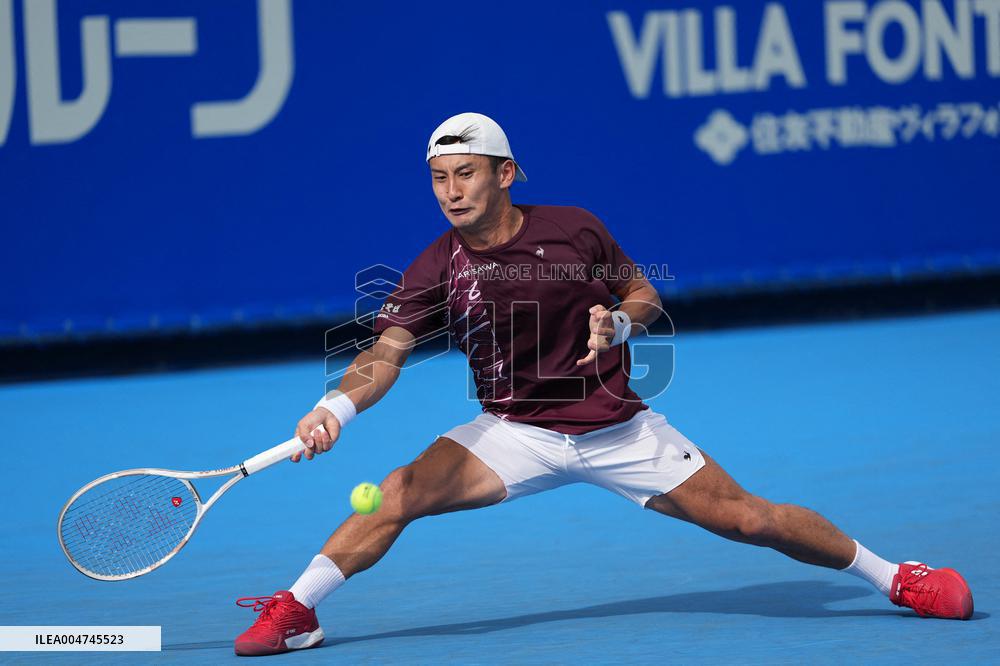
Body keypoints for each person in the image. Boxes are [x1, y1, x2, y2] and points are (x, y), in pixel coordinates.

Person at [233, 113, 974, 656]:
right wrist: (335, 407)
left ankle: (895, 576)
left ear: (505, 173)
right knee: (398, 491)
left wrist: (620, 326)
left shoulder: (575, 230)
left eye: (465, 174)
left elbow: (644, 294)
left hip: (617, 430)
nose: (450, 192)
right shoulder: (437, 265)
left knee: (753, 520)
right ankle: (299, 608)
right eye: (438, 178)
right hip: (512, 433)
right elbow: (385, 353)